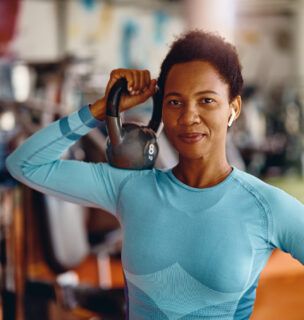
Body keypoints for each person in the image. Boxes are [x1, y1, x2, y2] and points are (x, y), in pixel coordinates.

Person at [6, 30, 304, 319]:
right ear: (162, 109)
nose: (188, 117)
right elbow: (25, 164)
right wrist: (102, 109)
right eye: (175, 102)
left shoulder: (265, 207)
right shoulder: (131, 188)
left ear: (233, 108)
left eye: (207, 100)